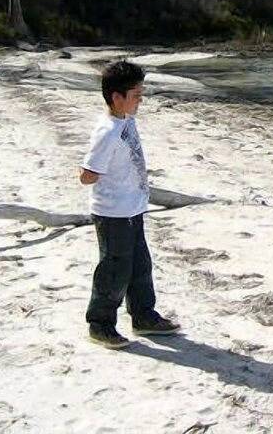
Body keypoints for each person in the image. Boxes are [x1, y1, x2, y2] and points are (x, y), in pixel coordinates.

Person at [80, 60, 179, 349]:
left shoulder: (126, 121)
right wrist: (94, 174)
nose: (140, 101)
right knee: (114, 269)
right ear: (117, 97)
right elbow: (87, 175)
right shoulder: (107, 131)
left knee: (140, 265)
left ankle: (143, 315)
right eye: (136, 95)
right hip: (113, 213)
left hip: (133, 209)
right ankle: (100, 323)